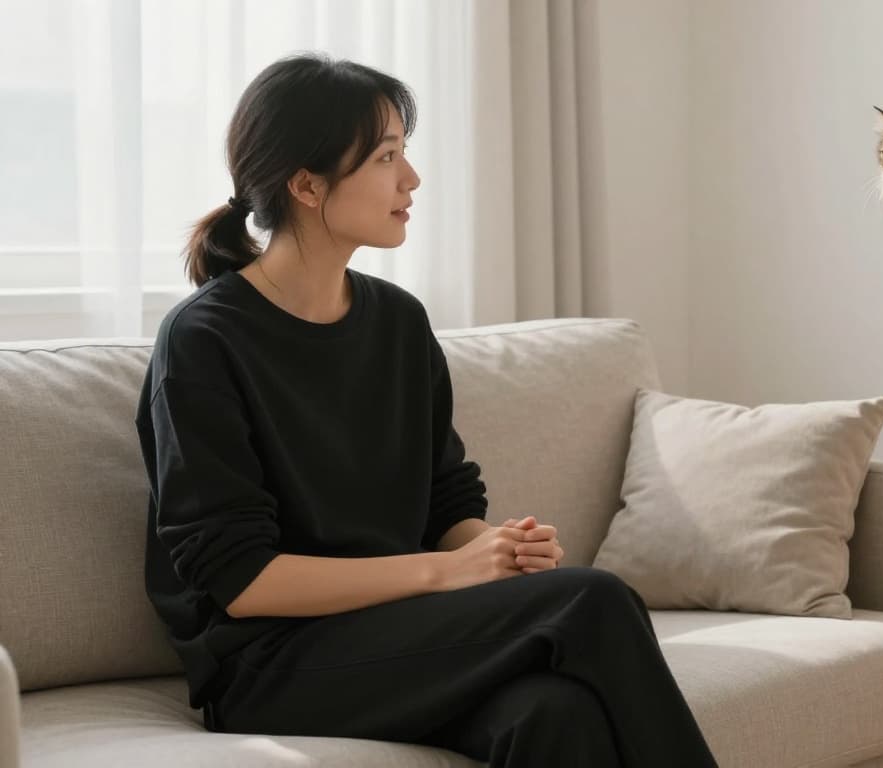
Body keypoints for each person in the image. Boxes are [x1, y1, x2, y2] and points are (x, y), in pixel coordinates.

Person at [134, 52, 718, 768]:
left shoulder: (398, 323)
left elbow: (445, 501)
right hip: (272, 663)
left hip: (398, 630)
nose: (410, 179)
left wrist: (496, 548)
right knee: (591, 602)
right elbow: (243, 581)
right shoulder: (204, 340)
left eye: (404, 153)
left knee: (551, 714)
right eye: (385, 157)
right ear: (307, 183)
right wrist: (447, 573)